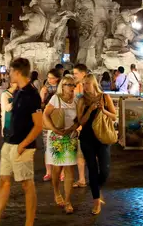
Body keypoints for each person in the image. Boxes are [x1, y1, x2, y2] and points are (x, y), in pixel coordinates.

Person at [0, 57, 42, 226]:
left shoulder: (32, 95)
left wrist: (23, 145)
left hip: (22, 147)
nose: (8, 74)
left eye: (10, 71)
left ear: (17, 72)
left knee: (27, 185)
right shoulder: (18, 92)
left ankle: (29, 223)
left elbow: (38, 125)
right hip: (9, 143)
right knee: (3, 182)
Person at [77, 74, 116, 216]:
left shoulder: (105, 97)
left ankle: (96, 187)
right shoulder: (82, 100)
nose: (85, 86)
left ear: (93, 83)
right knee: (92, 169)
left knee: (105, 170)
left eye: (87, 83)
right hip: (87, 138)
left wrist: (103, 110)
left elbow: (114, 116)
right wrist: (90, 109)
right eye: (83, 84)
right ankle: (96, 201)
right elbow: (81, 121)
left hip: (102, 137)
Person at [43, 74, 79, 214]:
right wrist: (54, 129)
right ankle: (57, 191)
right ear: (62, 86)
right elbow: (45, 114)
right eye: (69, 85)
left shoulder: (76, 100)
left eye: (73, 85)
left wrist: (72, 128)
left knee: (70, 169)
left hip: (70, 136)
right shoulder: (55, 99)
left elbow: (78, 119)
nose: (72, 87)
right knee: (57, 169)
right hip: (56, 137)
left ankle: (68, 201)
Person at [40, 68, 61, 182]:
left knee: (58, 145)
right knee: (47, 146)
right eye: (48, 78)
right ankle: (48, 172)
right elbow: (40, 104)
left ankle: (60, 171)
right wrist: (42, 95)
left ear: (57, 78)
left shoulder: (62, 88)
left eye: (52, 78)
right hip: (46, 120)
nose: (49, 80)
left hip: (58, 119)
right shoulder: (45, 88)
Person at [72, 63, 88, 188]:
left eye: (76, 73)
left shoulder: (88, 87)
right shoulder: (76, 86)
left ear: (83, 73)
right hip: (78, 123)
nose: (74, 76)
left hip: (87, 123)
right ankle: (82, 178)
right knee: (80, 153)